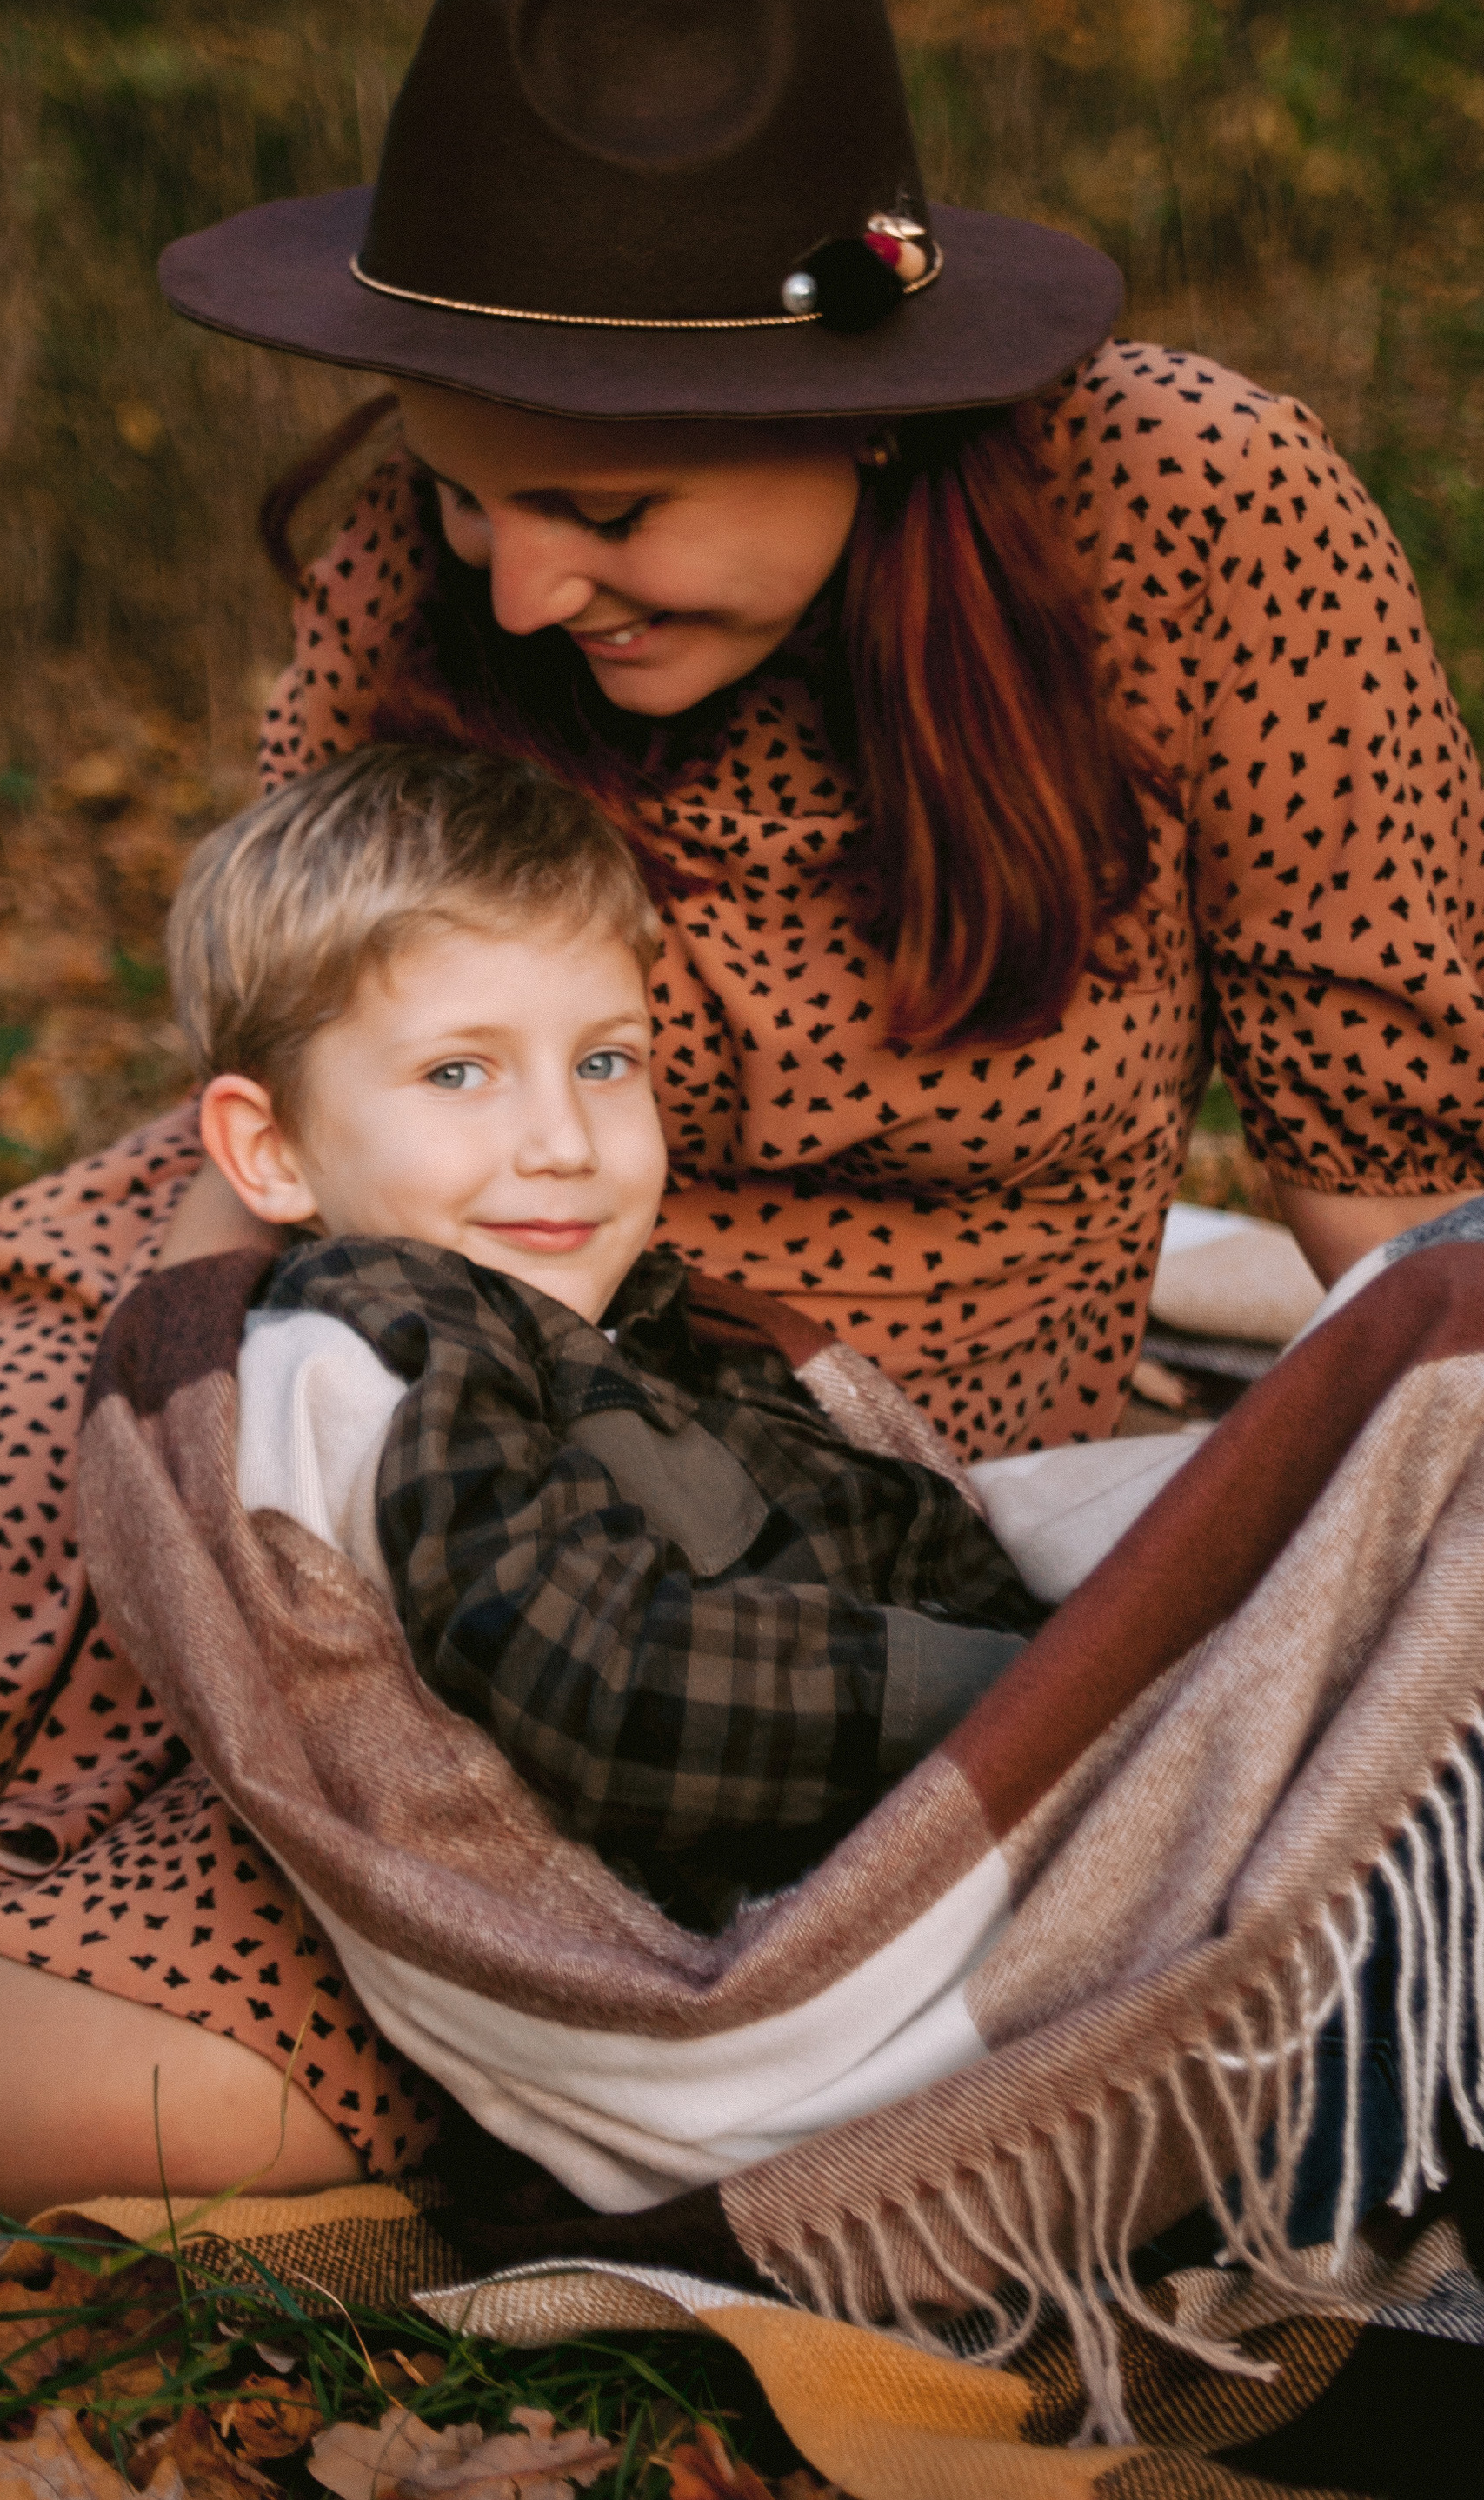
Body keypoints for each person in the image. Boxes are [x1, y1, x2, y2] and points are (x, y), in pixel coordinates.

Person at [0, 0, 1484, 2220]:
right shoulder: (441, 573)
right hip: (299, 1271)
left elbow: (1403, 1185)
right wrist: (215, 1495)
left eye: (596, 509)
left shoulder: (1202, 518)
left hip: (763, 1485)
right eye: (461, 495)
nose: (517, 588)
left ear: (869, 414)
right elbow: (302, 1034)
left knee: (183, 2106)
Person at [170, 744, 1040, 1928]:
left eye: (604, 1061)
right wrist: (1017, 1689)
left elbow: (885, 1515)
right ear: (270, 1152)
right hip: (785, 1916)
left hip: (973, 1779)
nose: (565, 1140)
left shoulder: (622, 1323)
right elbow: (606, 1686)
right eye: (460, 1071)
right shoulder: (390, 1352)